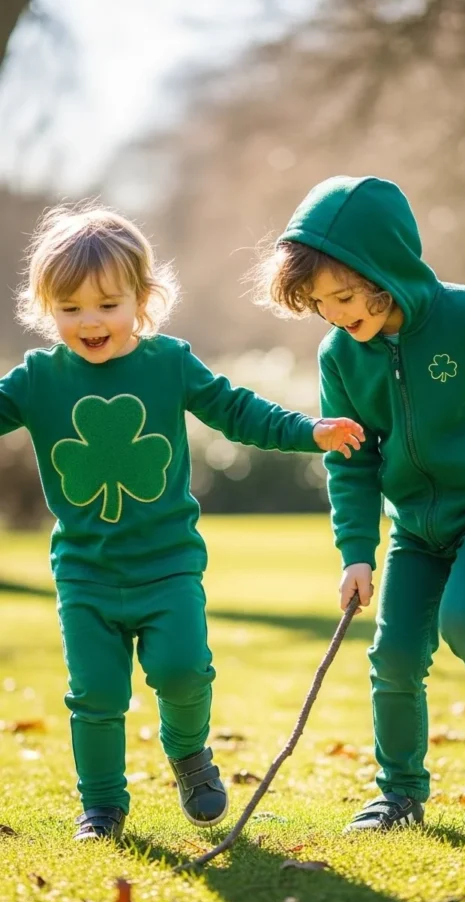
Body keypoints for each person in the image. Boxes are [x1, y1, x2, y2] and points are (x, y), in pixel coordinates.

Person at [4, 201, 364, 841]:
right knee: (95, 695)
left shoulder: (168, 363)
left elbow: (238, 411)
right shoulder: (35, 381)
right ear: (45, 307)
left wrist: (310, 431)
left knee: (182, 671)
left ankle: (190, 754)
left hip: (167, 567)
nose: (91, 322)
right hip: (85, 575)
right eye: (71, 309)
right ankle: (103, 807)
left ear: (142, 300)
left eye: (108, 305)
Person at [252, 174, 465, 834]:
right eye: (321, 303)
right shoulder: (341, 355)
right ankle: (399, 793)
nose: (339, 314)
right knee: (394, 656)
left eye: (345, 294)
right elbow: (353, 460)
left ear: (389, 267)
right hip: (416, 528)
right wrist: (356, 554)